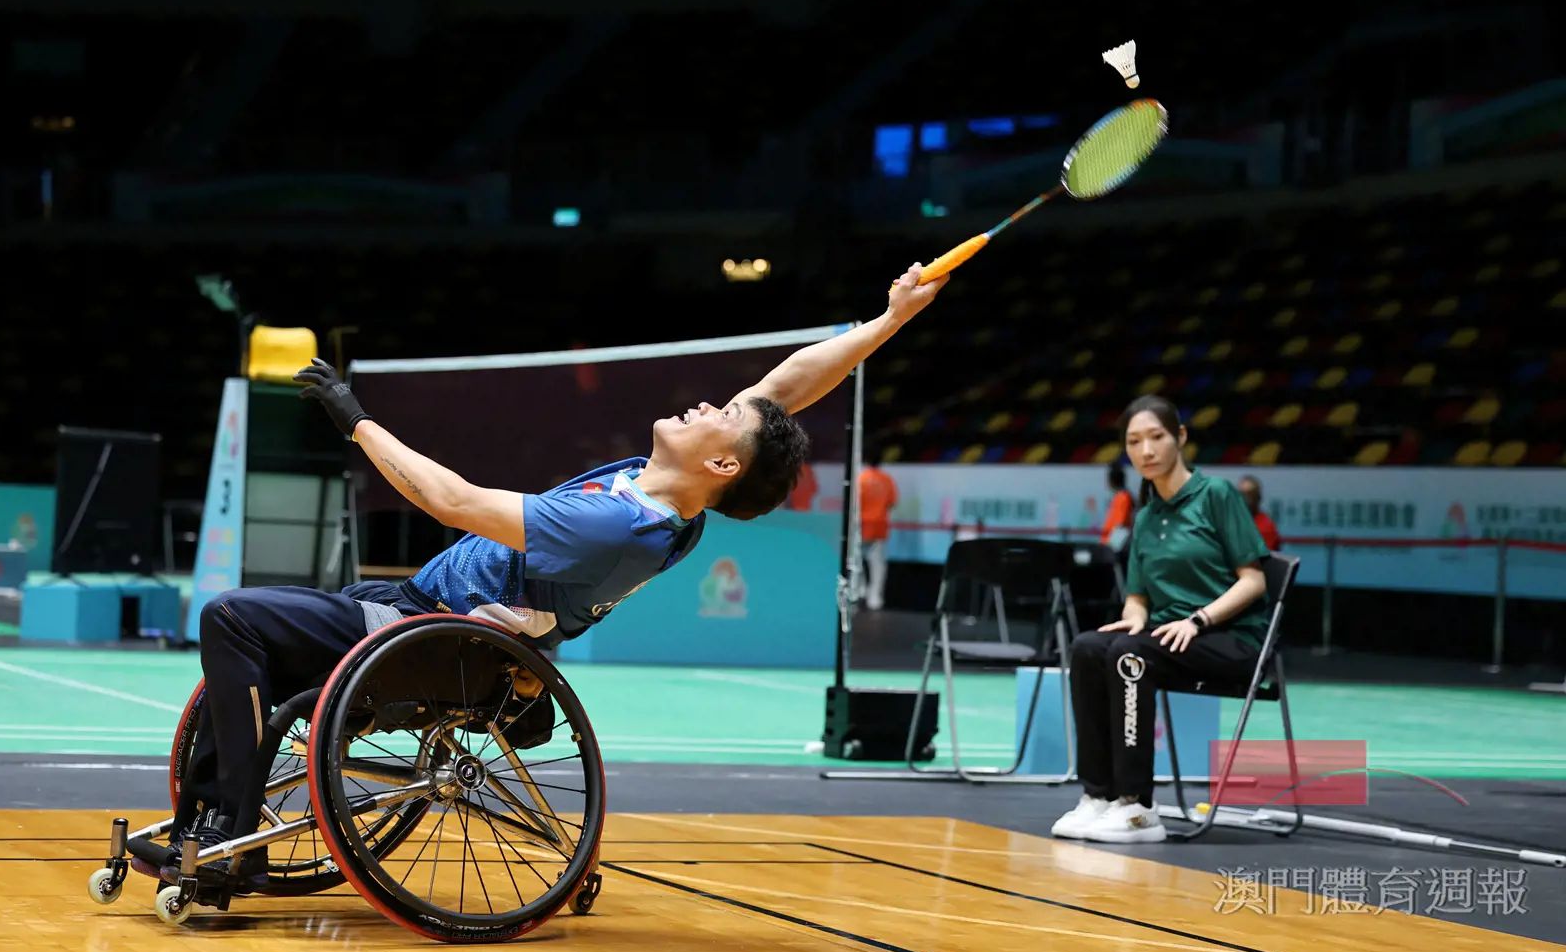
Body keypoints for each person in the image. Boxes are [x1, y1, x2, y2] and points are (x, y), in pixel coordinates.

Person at [172, 263, 950, 872]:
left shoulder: (613, 523)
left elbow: (450, 501)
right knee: (263, 654)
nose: (710, 404)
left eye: (722, 417)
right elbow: (785, 388)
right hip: (421, 609)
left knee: (231, 618)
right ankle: (212, 822)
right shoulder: (671, 503)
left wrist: (355, 420)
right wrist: (891, 319)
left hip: (431, 637)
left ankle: (230, 833)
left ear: (718, 462)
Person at [1051, 395, 1270, 845]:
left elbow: (1254, 581)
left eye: (1157, 437)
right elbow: (1137, 599)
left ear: (1181, 437)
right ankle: (1098, 796)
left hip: (1231, 639)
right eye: (1134, 442)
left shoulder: (1216, 496)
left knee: (1131, 655)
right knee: (1090, 647)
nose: (1146, 450)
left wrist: (1199, 619)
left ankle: (1136, 807)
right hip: (1168, 637)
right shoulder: (1147, 514)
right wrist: (1132, 618)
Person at [857, 453, 898, 611]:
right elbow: (892, 502)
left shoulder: (861, 479)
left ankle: (860, 590)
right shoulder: (886, 479)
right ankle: (875, 597)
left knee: (856, 561)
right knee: (878, 564)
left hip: (861, 525)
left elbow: (854, 504)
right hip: (879, 525)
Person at [1237, 474, 1282, 551]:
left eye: (1249, 495)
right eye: (1240, 494)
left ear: (1258, 498)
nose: (1244, 499)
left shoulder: (1266, 526)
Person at [1098, 460, 1133, 550]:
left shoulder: (1123, 497)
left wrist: (1112, 545)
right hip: (1108, 542)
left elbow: (1120, 525)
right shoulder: (1119, 497)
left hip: (1113, 544)